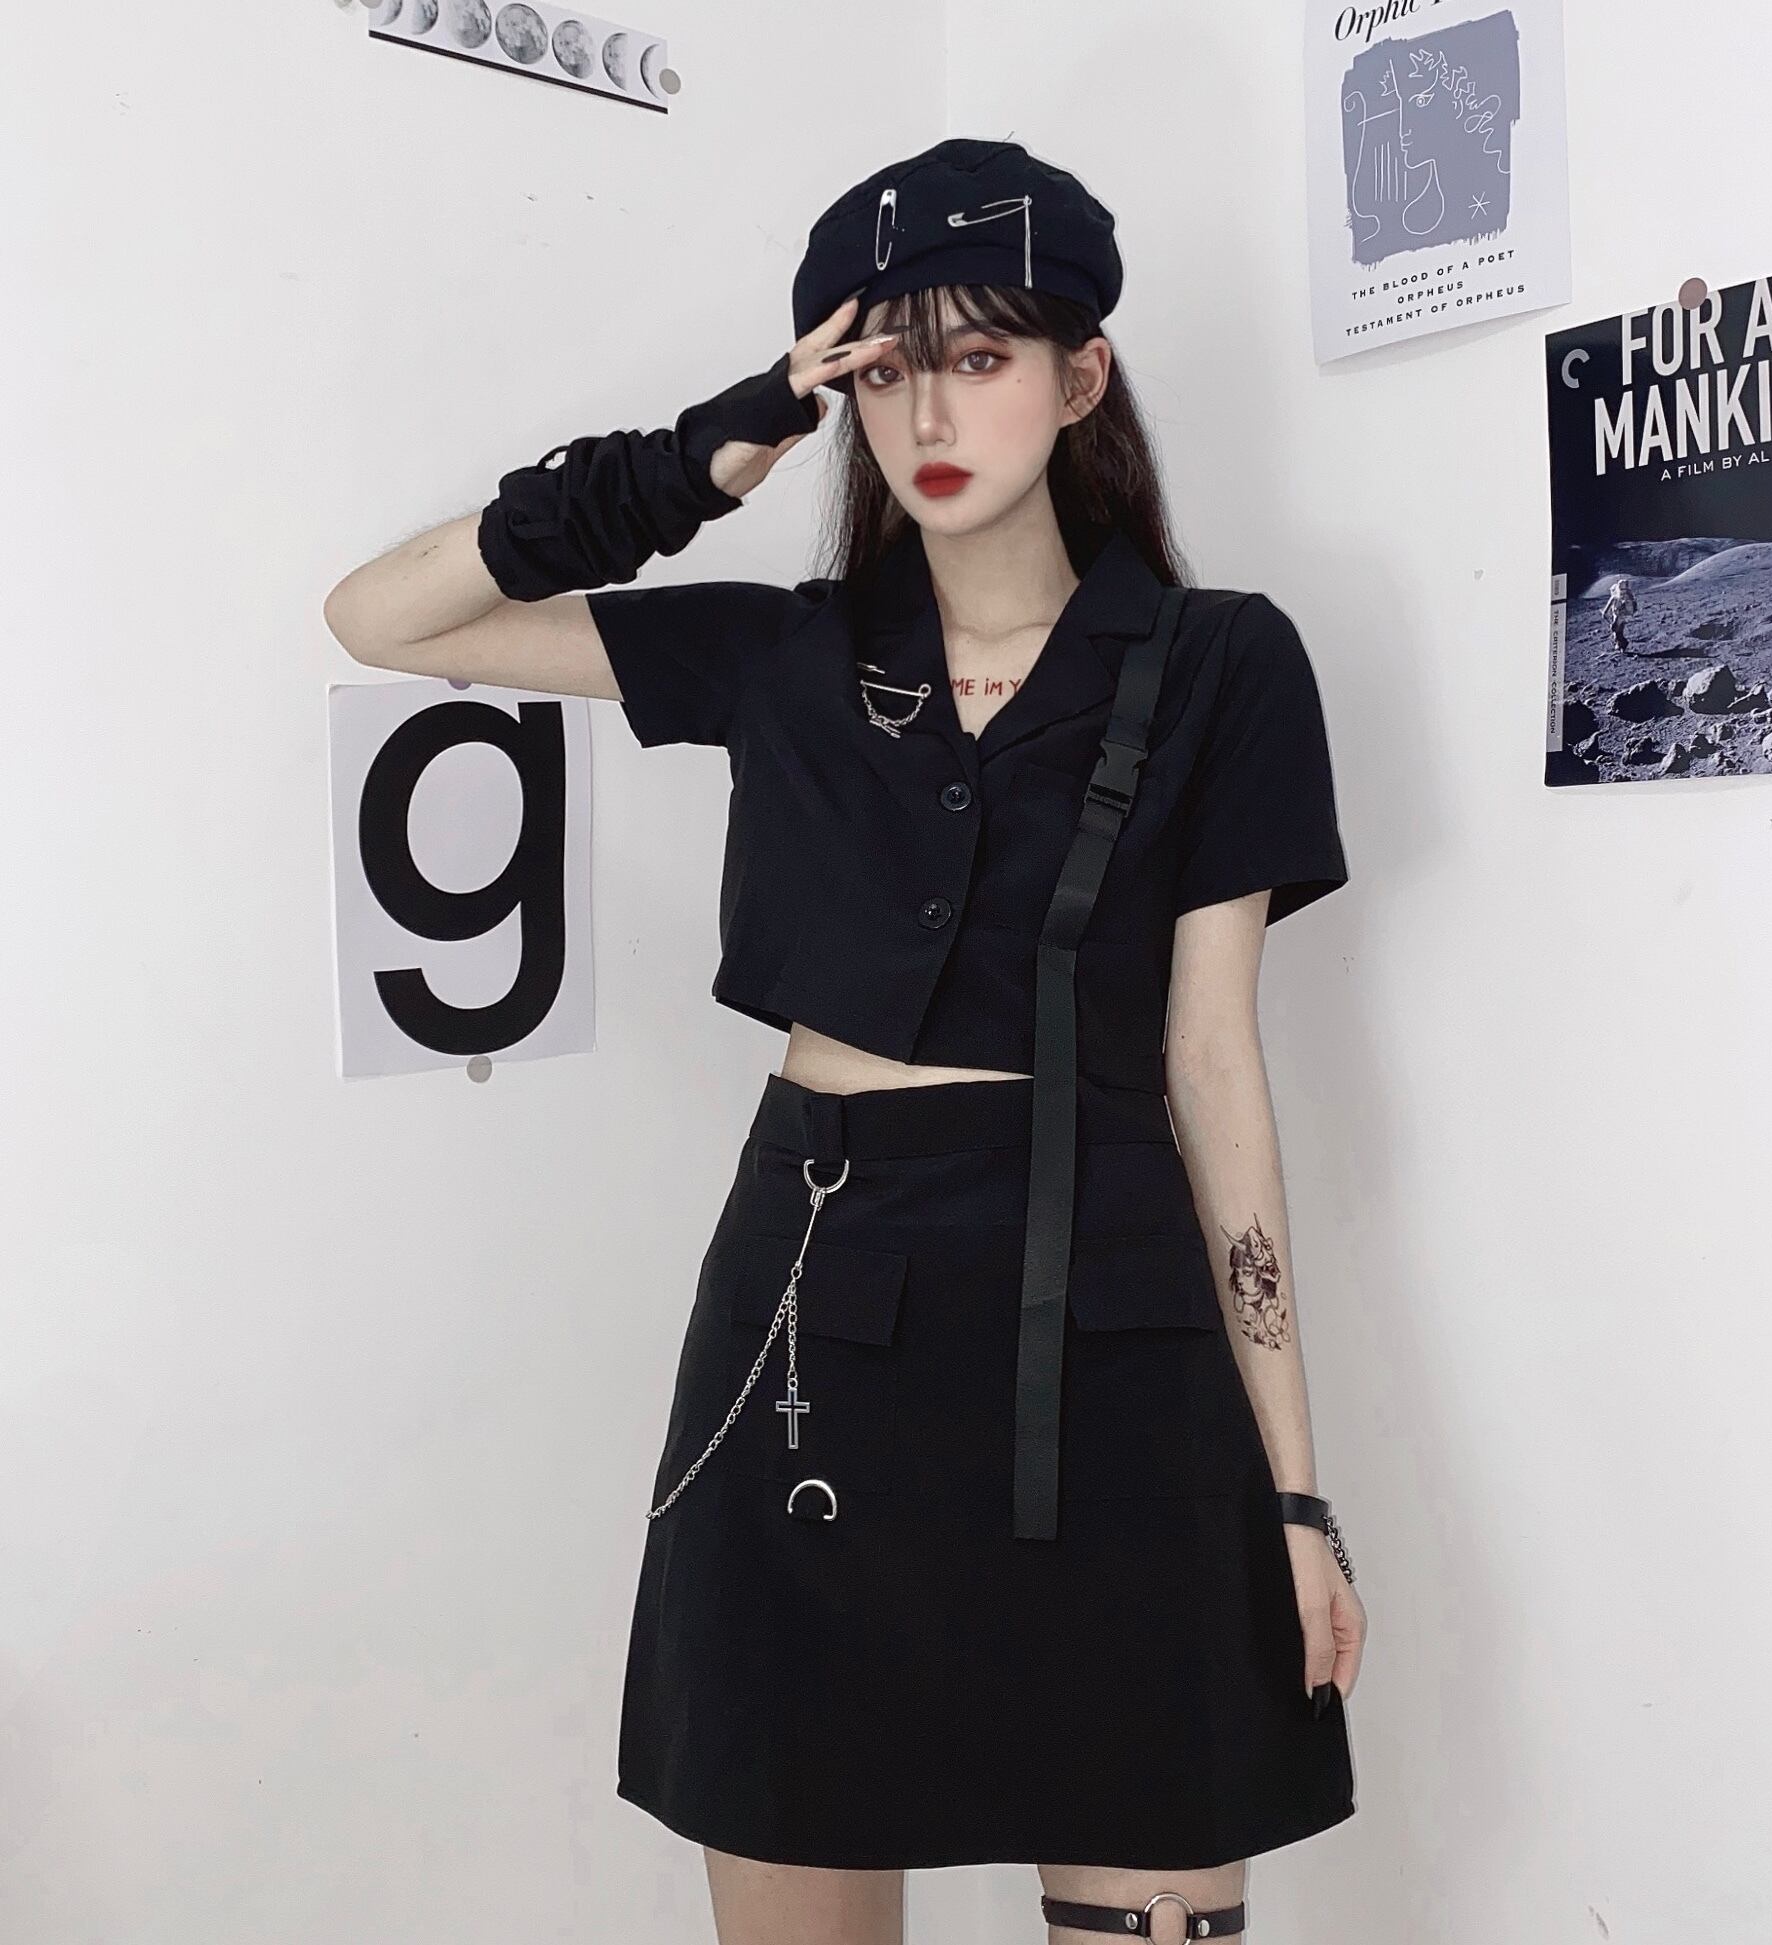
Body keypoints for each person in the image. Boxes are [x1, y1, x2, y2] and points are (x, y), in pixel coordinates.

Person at [324, 137, 1365, 1945]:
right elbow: (382, 618)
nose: (925, 413)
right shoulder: (785, 656)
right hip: (815, 1325)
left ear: (1080, 378)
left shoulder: (1222, 663)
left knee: (1158, 1875)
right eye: (883, 371)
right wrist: (715, 447)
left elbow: (1212, 1067)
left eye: (978, 356)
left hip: (1108, 1334)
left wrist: (1293, 1492)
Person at [1603, 575, 1638, 653]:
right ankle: (1620, 644)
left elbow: (1630, 609)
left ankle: (1622, 643)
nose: (1622, 592)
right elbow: (1611, 602)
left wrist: (1624, 611)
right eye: (1621, 589)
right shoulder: (1616, 597)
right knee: (1617, 630)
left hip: (1622, 616)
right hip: (1617, 615)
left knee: (1615, 628)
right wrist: (1605, 611)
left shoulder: (1628, 598)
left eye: (1624, 590)